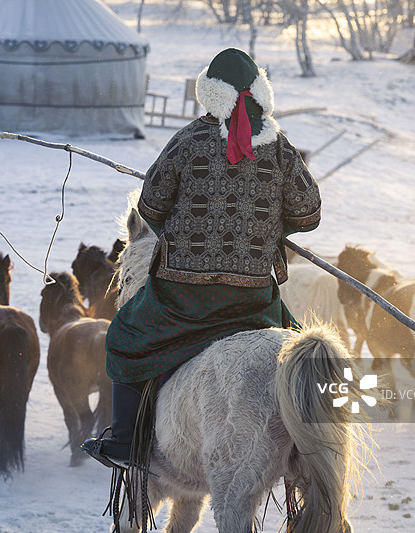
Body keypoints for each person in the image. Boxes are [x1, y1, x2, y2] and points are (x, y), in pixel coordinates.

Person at [82, 48, 321, 468]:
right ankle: (308, 446)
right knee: (301, 352)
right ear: (260, 93)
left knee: (122, 337)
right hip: (251, 301)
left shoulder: (189, 139)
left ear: (210, 94)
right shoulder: (280, 147)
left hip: (181, 299)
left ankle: (124, 443)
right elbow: (309, 214)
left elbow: (151, 209)